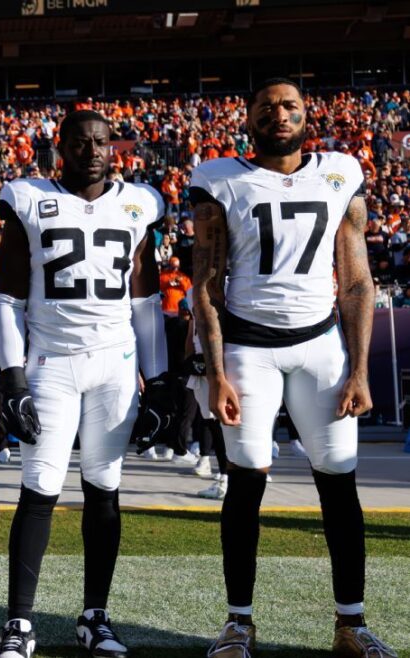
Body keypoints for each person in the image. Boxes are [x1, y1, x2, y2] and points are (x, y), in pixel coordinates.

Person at [190, 78, 396, 657]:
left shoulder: (340, 172)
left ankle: (351, 624)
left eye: (290, 106)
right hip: (248, 347)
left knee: (339, 479)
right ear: (248, 119)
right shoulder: (219, 177)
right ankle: (238, 623)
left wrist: (359, 369)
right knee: (246, 479)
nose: (278, 115)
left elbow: (356, 281)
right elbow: (206, 282)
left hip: (320, 345)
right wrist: (215, 371)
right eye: (266, 107)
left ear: (307, 116)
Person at [0, 110, 171, 658]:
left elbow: (146, 302)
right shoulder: (28, 199)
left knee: (104, 486)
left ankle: (95, 617)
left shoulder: (139, 203)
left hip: (115, 363)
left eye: (100, 142)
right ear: (60, 148)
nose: (92, 151)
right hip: (52, 362)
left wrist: (159, 380)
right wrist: (12, 375)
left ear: (112, 147)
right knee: (39, 485)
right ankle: (19, 623)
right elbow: (8, 300)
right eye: (80, 142)